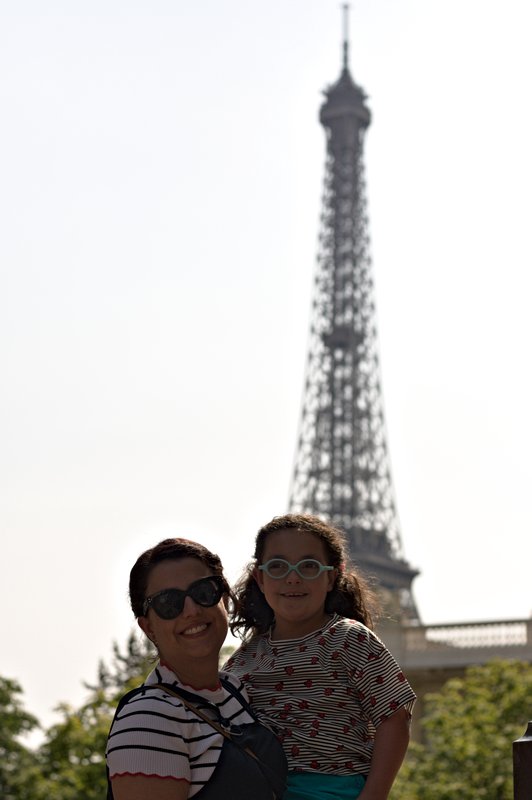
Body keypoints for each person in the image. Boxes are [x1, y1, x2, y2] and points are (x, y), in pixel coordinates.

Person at [225, 514, 416, 800]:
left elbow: (395, 718)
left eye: (309, 566)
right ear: (260, 578)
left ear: (331, 577)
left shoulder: (349, 638)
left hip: (332, 790)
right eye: (278, 566)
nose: (293, 577)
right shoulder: (242, 660)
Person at [106, 537, 287, 800]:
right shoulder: (149, 717)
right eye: (168, 603)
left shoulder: (235, 691)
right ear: (148, 627)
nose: (191, 610)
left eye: (204, 592)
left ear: (224, 600)